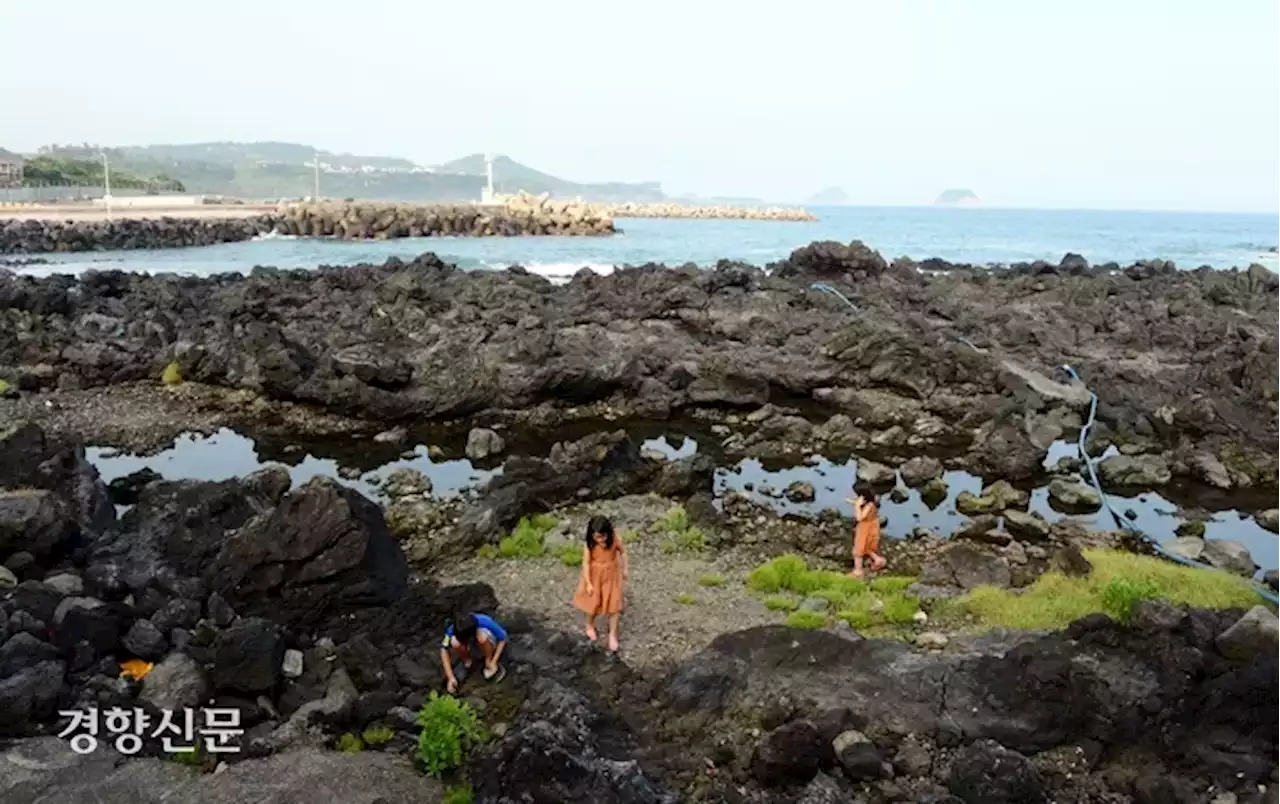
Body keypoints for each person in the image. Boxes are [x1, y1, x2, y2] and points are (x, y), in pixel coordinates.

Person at [572, 514, 628, 652]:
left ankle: (613, 634)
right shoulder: (589, 544)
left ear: (608, 533)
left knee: (614, 605)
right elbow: (586, 563)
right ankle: (589, 624)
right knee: (594, 603)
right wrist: (589, 582)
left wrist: (625, 569)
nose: (600, 540)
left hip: (612, 575)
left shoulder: (615, 538)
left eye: (602, 536)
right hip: (595, 575)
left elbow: (623, 552)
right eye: (596, 537)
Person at [440, 611, 508, 694]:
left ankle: (488, 660)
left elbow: (503, 638)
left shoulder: (484, 620)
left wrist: (494, 661)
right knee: (454, 642)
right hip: (470, 645)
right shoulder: (452, 628)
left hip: (487, 642)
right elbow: (443, 650)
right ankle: (467, 662)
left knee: (482, 637)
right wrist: (450, 677)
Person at [848, 483, 887, 578]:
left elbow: (860, 517)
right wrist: (853, 502)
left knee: (858, 550)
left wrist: (857, 506)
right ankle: (878, 560)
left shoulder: (869, 506)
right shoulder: (872, 503)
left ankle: (858, 571)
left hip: (865, 529)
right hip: (872, 527)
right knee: (868, 547)